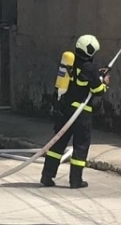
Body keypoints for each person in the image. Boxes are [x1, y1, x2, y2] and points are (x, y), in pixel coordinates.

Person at [40, 34, 110, 189]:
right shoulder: (90, 68)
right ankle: (75, 180)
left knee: (57, 144)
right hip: (81, 113)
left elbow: (80, 79)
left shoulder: (70, 64)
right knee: (81, 145)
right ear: (90, 51)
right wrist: (104, 82)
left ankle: (47, 176)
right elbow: (97, 90)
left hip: (64, 110)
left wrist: (97, 75)